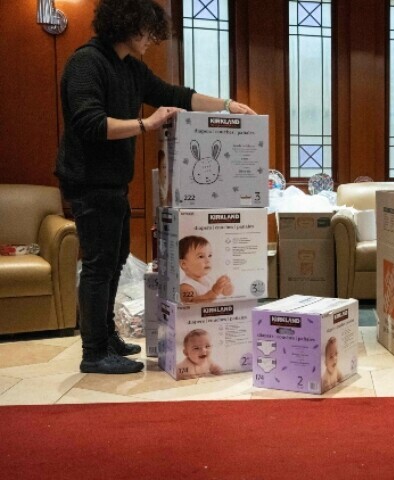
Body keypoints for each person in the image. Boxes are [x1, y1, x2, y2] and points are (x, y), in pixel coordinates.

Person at [55, 0, 256, 374]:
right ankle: (94, 352)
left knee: (114, 262)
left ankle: (107, 337)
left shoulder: (130, 68)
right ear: (127, 25)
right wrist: (145, 124)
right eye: (148, 32)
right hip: (88, 182)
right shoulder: (86, 63)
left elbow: (176, 95)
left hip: (115, 182)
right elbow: (89, 123)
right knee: (99, 266)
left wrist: (227, 105)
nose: (151, 40)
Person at [178, 235, 233, 303]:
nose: (208, 260)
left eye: (209, 255)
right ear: (184, 264)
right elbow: (192, 304)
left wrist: (226, 288)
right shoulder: (186, 287)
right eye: (201, 256)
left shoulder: (210, 279)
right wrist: (214, 292)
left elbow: (225, 294)